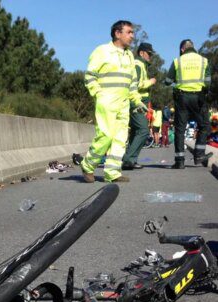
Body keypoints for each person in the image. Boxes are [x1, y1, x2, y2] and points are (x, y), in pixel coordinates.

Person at [81, 20, 146, 183]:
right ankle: (88, 165)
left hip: (124, 103)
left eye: (132, 33)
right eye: (129, 32)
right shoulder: (102, 51)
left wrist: (137, 100)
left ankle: (112, 172)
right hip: (107, 101)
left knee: (120, 138)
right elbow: (90, 76)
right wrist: (98, 94)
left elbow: (132, 83)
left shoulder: (130, 55)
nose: (132, 36)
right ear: (118, 33)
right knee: (105, 135)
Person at [165, 39, 212, 169]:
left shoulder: (177, 61)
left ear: (182, 49)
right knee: (204, 126)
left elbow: (168, 81)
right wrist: (204, 92)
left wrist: (175, 83)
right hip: (198, 98)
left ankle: (179, 161)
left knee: (180, 129)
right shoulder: (204, 61)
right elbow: (208, 82)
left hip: (182, 98)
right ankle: (199, 155)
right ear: (193, 47)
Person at [122, 42, 157, 170]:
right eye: (149, 54)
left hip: (138, 103)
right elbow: (135, 85)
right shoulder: (138, 65)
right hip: (136, 102)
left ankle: (131, 160)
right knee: (143, 130)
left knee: (136, 132)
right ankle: (128, 159)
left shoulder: (141, 65)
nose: (150, 57)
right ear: (142, 53)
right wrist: (151, 82)